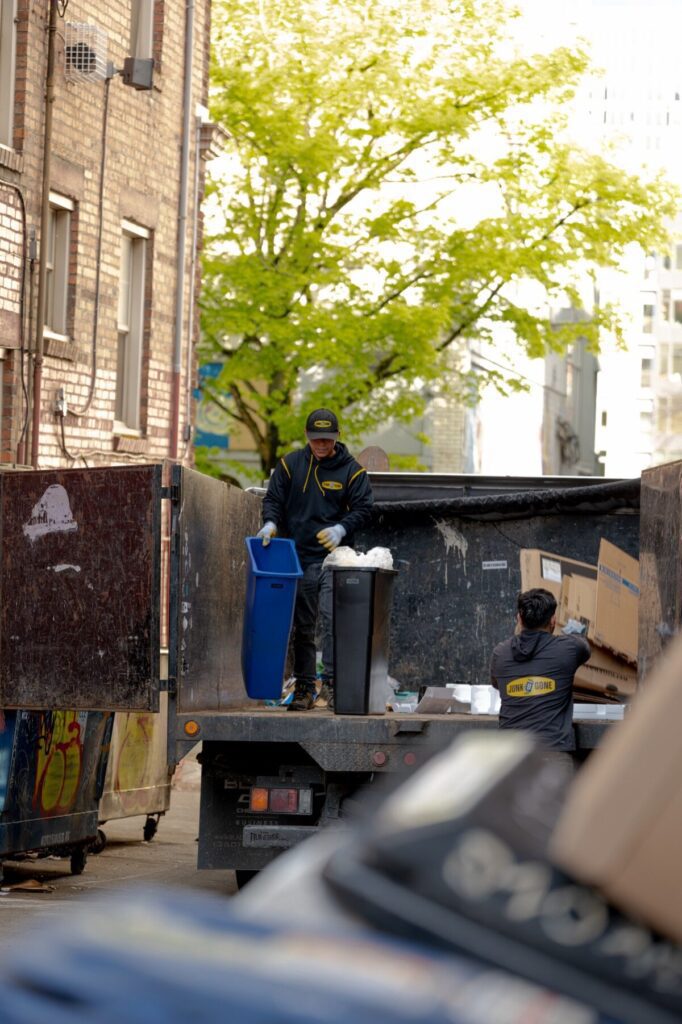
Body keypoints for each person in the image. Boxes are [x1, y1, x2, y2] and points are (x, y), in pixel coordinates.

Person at [257, 408, 374, 711]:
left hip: (335, 561)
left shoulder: (352, 472)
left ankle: (332, 686)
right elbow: (273, 499)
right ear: (307, 437)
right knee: (303, 626)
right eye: (316, 439)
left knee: (332, 621)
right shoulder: (290, 465)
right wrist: (270, 522)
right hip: (300, 559)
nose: (321, 445)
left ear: (337, 437)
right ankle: (305, 688)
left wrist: (341, 528)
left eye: (327, 439)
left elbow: (364, 508)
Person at [490, 588, 590, 774]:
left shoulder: (500, 653)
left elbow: (497, 684)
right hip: (552, 759)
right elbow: (584, 647)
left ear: (519, 618)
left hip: (509, 761)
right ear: (553, 621)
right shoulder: (569, 649)